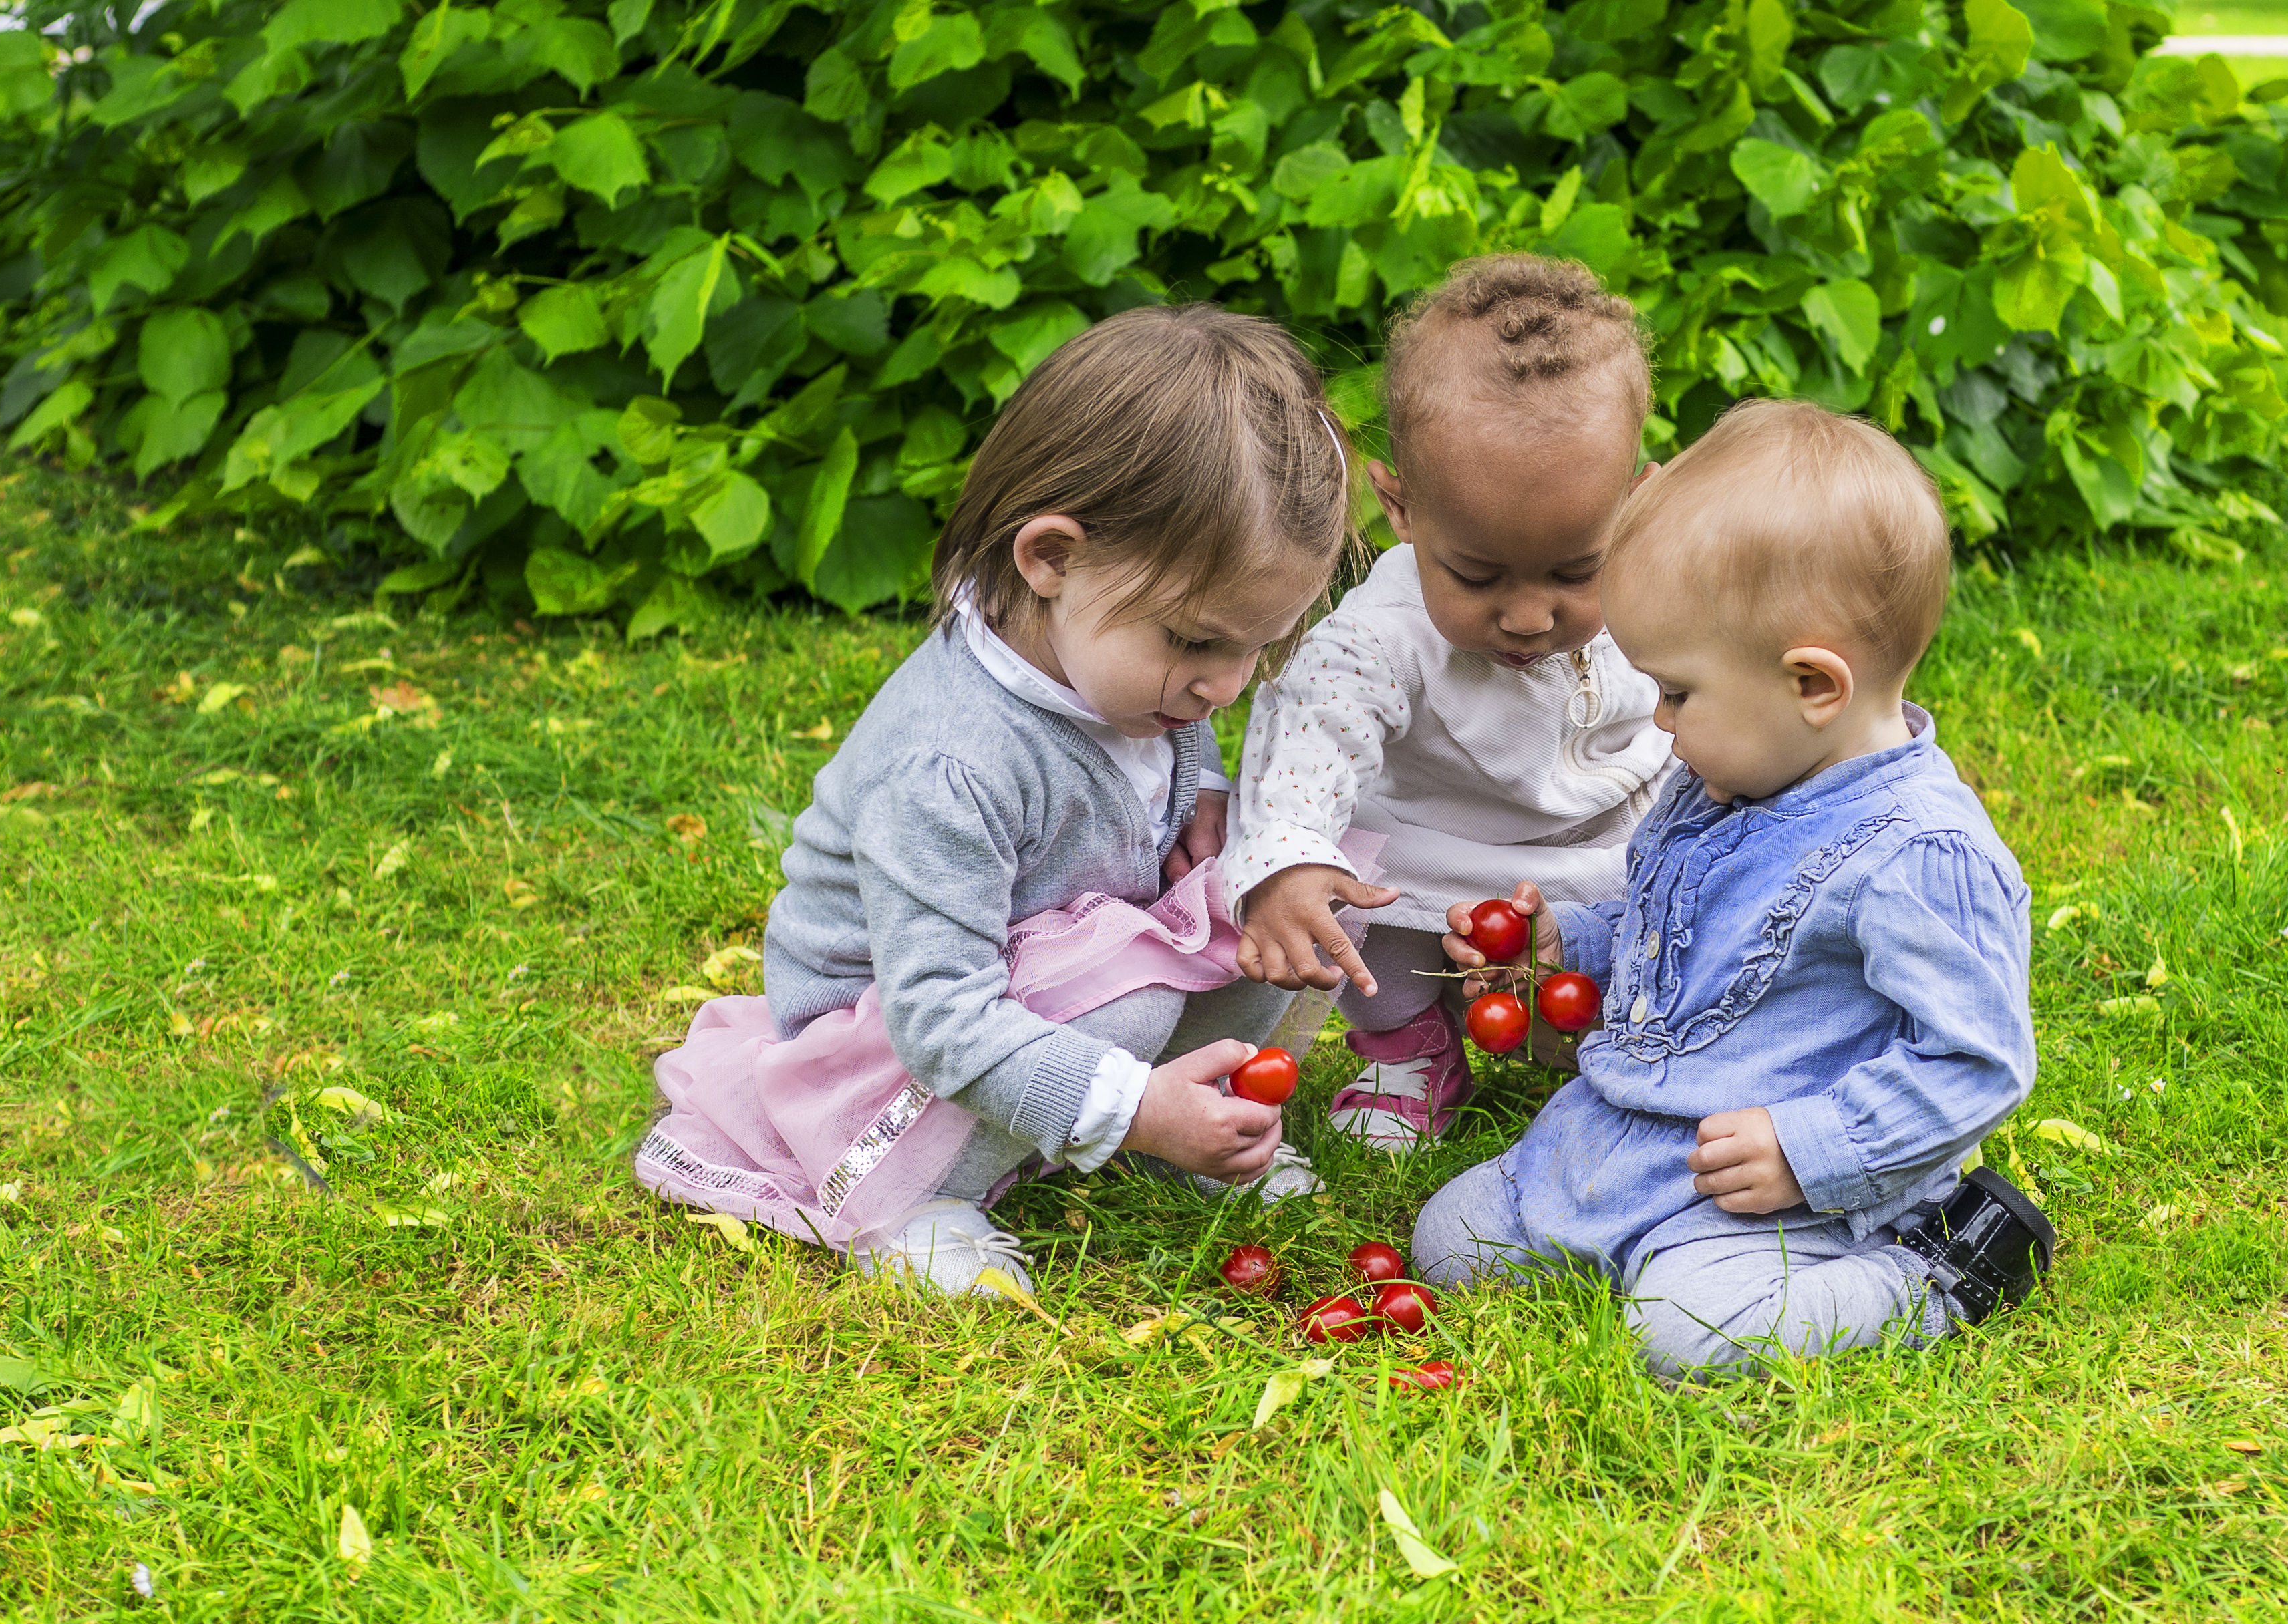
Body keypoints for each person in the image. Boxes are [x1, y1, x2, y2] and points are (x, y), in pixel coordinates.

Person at [635, 305, 1358, 1298]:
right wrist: (1128, 1099)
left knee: (1278, 893)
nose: (1225, 688)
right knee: (1135, 1007)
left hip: (1060, 955)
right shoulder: (952, 763)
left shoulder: (1119, 664)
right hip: (894, 1042)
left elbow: (1179, 751)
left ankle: (1182, 1119)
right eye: (1197, 643)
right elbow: (940, 1017)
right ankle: (919, 1202)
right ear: (1051, 559)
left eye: (1258, 647)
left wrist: (1217, 805)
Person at [1411, 397, 2051, 1377]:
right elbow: (1671, 927)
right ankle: (1622, 1236)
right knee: (1450, 1244)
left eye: (1677, 692)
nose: (1660, 722)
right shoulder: (1728, 777)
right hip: (1624, 1140)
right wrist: (1567, 947)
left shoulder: (1917, 853)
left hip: (1771, 1189)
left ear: (1812, 686)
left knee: (1687, 1336)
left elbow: (1977, 1058)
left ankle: (1936, 1274)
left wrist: (1810, 1148)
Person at [1223, 255, 1675, 1151]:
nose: (1529, 614)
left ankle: (1615, 1039)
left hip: (1603, 853)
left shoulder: (1662, 589)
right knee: (1359, 910)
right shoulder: (1380, 637)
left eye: (1575, 570)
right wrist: (1289, 859)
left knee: (1671, 923)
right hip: (1431, 863)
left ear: (1636, 506)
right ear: (1400, 508)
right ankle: (1406, 1047)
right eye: (1476, 573)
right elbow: (1306, 738)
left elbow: (1708, 701)